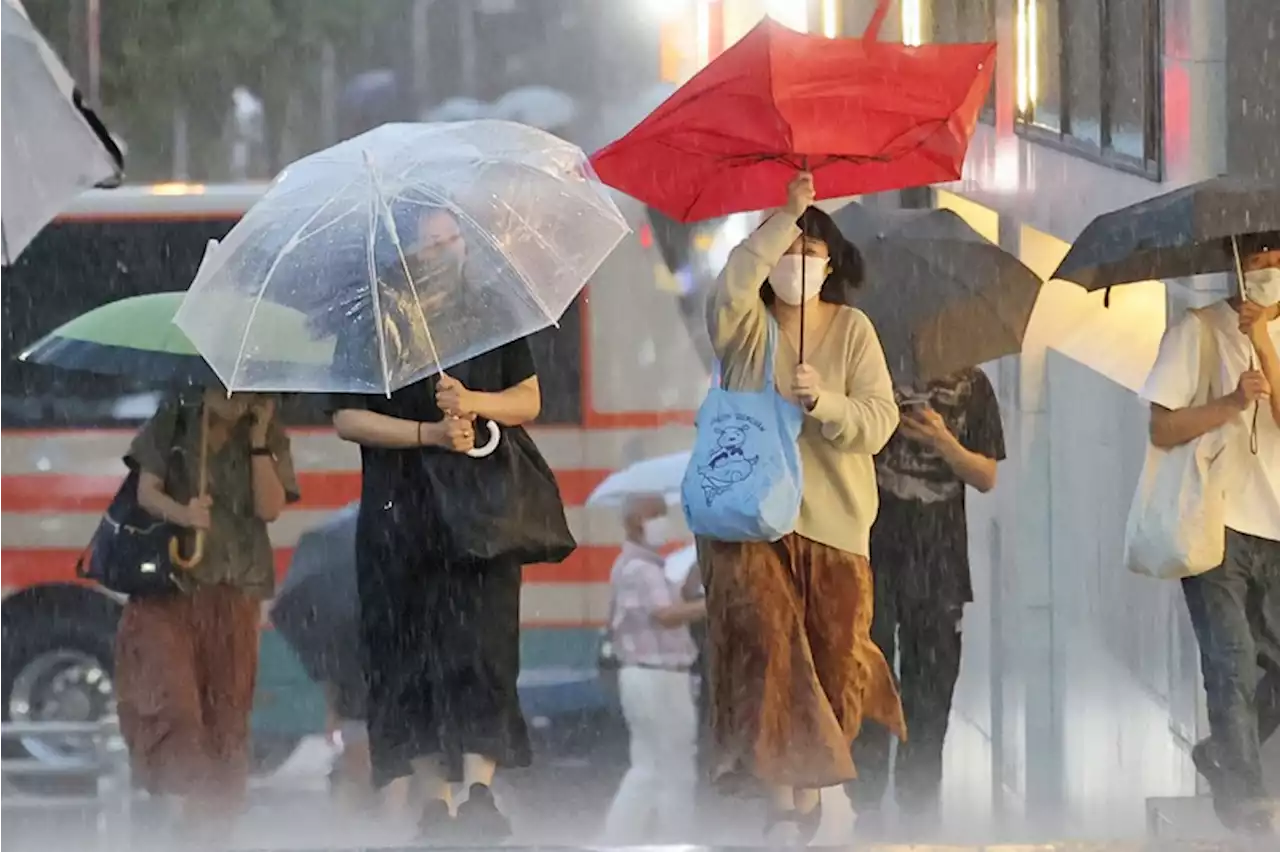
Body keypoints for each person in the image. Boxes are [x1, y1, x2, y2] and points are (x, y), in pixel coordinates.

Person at [699, 171, 905, 844]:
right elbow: (729, 290)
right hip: (752, 523)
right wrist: (782, 216)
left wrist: (828, 404)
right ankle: (782, 794)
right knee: (768, 648)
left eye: (811, 251)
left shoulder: (854, 333)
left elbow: (878, 421)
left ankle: (806, 789)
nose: (798, 263)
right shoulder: (746, 329)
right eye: (787, 251)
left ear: (832, 263)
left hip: (835, 527)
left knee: (831, 661)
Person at [330, 205, 541, 843]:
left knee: (484, 650)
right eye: (430, 243)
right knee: (404, 658)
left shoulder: (493, 315)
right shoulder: (374, 323)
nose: (444, 252)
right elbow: (346, 418)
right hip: (400, 522)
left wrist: (472, 403)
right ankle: (435, 798)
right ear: (405, 252)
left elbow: (527, 398)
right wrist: (425, 432)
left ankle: (480, 790)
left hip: (481, 521)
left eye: (453, 240)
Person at [1142, 233, 1280, 836]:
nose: (1269, 272)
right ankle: (1247, 797)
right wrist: (1228, 402)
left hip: (1276, 528)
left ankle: (1223, 752)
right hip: (1215, 524)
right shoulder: (1195, 330)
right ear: (1235, 267)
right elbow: (1162, 428)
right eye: (1258, 262)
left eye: (1279, 262)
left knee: (1267, 664)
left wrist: (1264, 342)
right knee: (1232, 659)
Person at [113, 390, 297, 841]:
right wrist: (184, 513)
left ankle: (213, 831)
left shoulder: (268, 432)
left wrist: (256, 440)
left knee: (227, 718)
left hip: (233, 593)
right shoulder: (174, 421)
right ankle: (179, 816)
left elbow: (270, 507)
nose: (240, 399)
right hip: (168, 592)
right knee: (172, 706)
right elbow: (146, 491)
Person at [847, 369, 1005, 835]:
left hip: (940, 565)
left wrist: (943, 441)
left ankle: (918, 811)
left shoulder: (973, 386)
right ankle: (867, 809)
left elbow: (987, 475)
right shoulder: (868, 379)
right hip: (875, 557)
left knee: (931, 691)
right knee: (870, 681)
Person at [601, 494, 705, 844]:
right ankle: (669, 837)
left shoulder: (648, 566)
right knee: (665, 767)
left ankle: (633, 837)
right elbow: (665, 615)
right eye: (656, 514)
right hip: (656, 676)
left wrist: (695, 576)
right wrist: (714, 606)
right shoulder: (639, 569)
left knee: (656, 765)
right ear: (635, 521)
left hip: (652, 675)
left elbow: (674, 601)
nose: (663, 521)